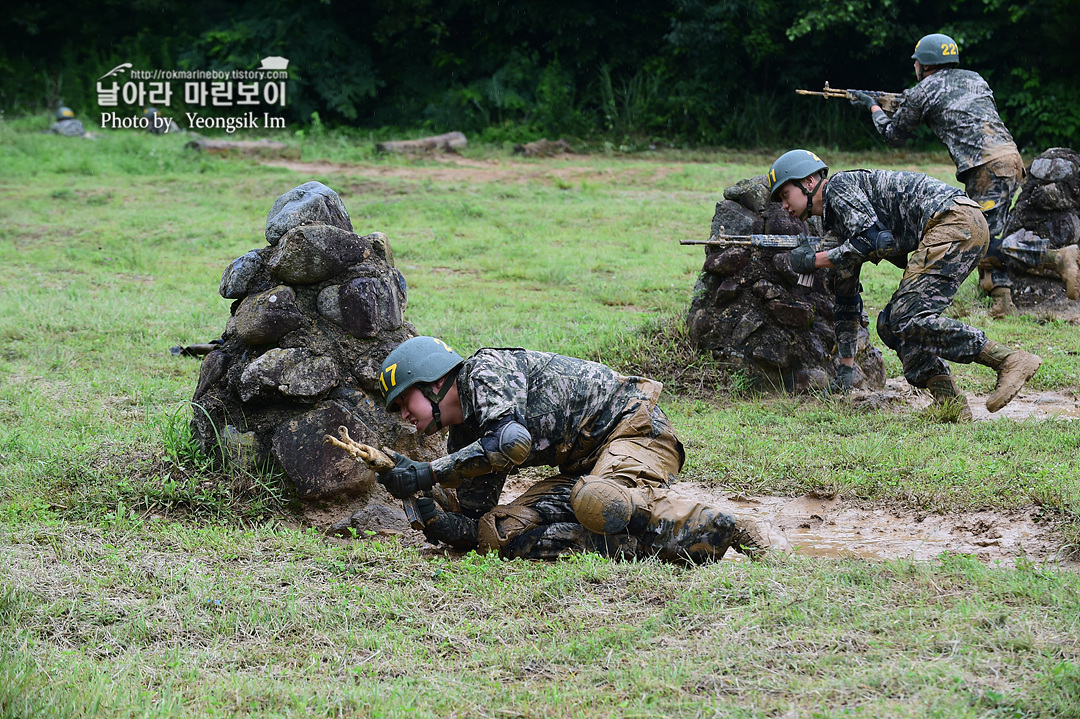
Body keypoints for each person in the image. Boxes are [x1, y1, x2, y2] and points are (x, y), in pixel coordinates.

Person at [374, 336, 781, 563]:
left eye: (403, 402)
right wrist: (429, 513)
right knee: (500, 532)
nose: (403, 416)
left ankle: (735, 527)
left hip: (633, 430)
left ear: (431, 381)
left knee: (595, 498)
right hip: (582, 468)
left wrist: (427, 472)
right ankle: (631, 549)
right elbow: (474, 522)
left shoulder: (482, 372)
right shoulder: (465, 436)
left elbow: (511, 443)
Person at [768, 149, 1042, 421]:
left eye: (784, 194)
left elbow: (876, 241)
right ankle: (948, 400)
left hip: (953, 220)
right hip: (959, 225)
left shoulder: (838, 189)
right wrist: (845, 370)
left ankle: (1007, 360)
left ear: (807, 182)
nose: (783, 205)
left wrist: (815, 260)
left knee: (904, 316)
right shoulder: (839, 226)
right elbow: (846, 300)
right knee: (890, 324)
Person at [848, 32, 1080, 317]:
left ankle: (1056, 257)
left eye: (916, 63)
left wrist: (872, 107)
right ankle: (1001, 300)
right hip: (1009, 159)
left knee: (978, 239)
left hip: (985, 168)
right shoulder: (973, 78)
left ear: (925, 64)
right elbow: (950, 104)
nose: (915, 67)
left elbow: (894, 135)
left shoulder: (926, 90)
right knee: (989, 233)